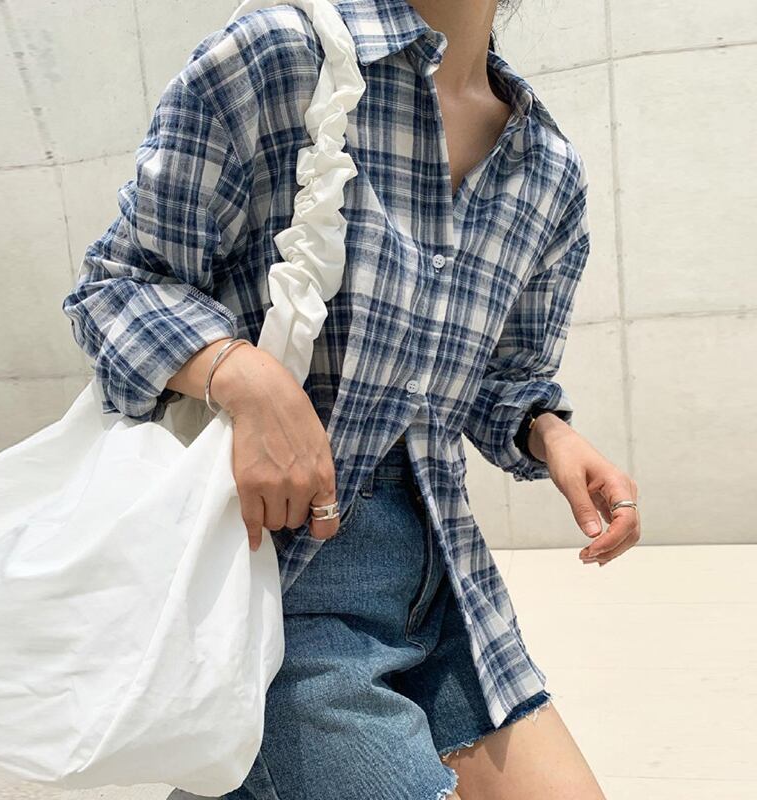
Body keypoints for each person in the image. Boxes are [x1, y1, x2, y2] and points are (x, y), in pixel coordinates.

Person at [62, 1, 640, 797]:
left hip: (446, 581)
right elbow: (116, 287)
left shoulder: (546, 169)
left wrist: (549, 432)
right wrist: (243, 374)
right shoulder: (279, 57)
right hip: (277, 581)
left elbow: (503, 377)